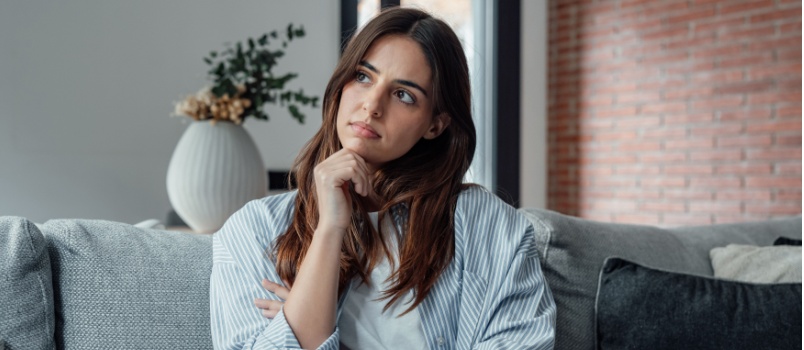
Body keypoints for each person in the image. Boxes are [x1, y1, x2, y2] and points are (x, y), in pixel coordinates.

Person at [210, 7, 555, 350]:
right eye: (363, 76)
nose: (372, 105)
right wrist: (330, 228)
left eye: (403, 94)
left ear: (435, 124)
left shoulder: (489, 226)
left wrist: (301, 319)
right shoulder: (255, 230)